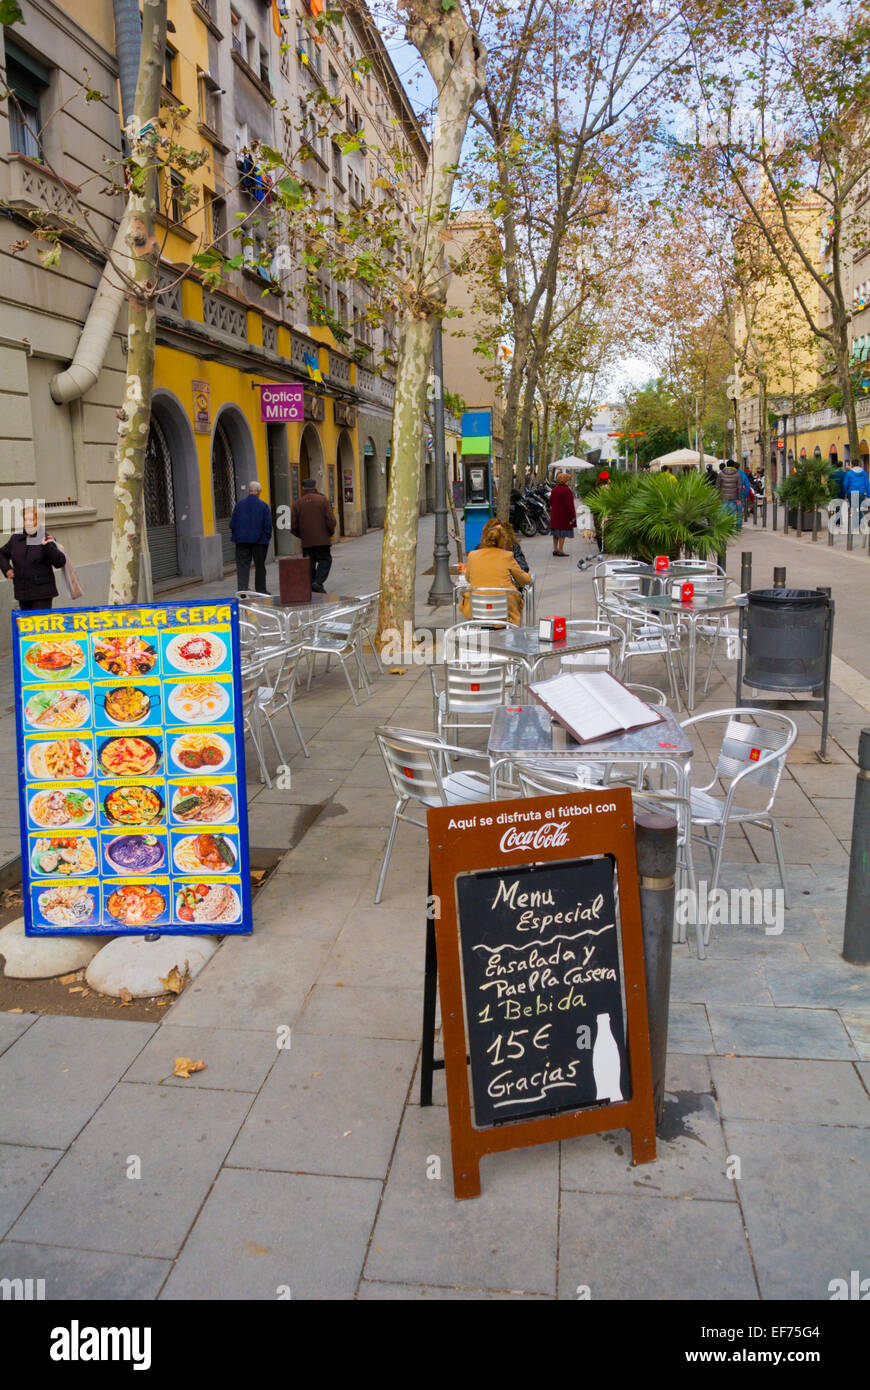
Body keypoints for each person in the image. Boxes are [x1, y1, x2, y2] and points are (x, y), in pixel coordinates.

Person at [459, 519, 531, 624]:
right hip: (504, 610)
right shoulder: (507, 556)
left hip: (477, 609)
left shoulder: (473, 555)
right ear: (503, 540)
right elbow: (524, 580)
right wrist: (529, 577)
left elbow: (468, 578)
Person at [0, 505, 67, 610]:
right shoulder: (16, 539)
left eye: (31, 519)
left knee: (39, 625)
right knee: (26, 625)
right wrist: (7, 569)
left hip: (42, 594)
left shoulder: (45, 537)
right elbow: (1, 554)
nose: (27, 522)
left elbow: (59, 562)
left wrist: (47, 546)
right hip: (22, 593)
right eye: (25, 519)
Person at [290, 477, 336, 593]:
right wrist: (329, 533)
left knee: (309, 564)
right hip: (322, 539)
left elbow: (293, 526)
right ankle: (318, 582)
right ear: (315, 487)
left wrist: (303, 535)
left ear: (303, 488)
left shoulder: (297, 503)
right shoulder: (323, 500)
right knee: (326, 559)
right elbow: (331, 520)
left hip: (307, 541)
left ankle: (313, 585)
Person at [230, 479, 272, 594]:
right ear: (259, 492)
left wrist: (238, 535)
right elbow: (268, 525)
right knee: (259, 566)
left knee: (242, 566)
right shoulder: (263, 506)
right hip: (259, 542)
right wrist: (266, 538)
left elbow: (232, 523)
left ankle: (242, 591)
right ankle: (261, 590)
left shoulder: (239, 505)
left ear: (248, 491)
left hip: (242, 541)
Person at [549, 470, 577, 556]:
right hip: (563, 515)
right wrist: (573, 516)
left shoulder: (554, 490)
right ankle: (561, 550)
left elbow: (550, 502)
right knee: (562, 533)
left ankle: (555, 549)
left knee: (555, 532)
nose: (569, 481)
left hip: (554, 514)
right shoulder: (567, 490)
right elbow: (570, 505)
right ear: (565, 480)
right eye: (568, 480)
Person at [716, 459, 742, 530]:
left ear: (726, 465)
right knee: (731, 513)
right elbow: (739, 487)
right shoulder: (737, 474)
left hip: (723, 497)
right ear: (733, 465)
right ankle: (730, 528)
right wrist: (739, 498)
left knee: (723, 513)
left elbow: (717, 486)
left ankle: (724, 528)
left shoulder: (720, 474)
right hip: (733, 497)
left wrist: (717, 497)